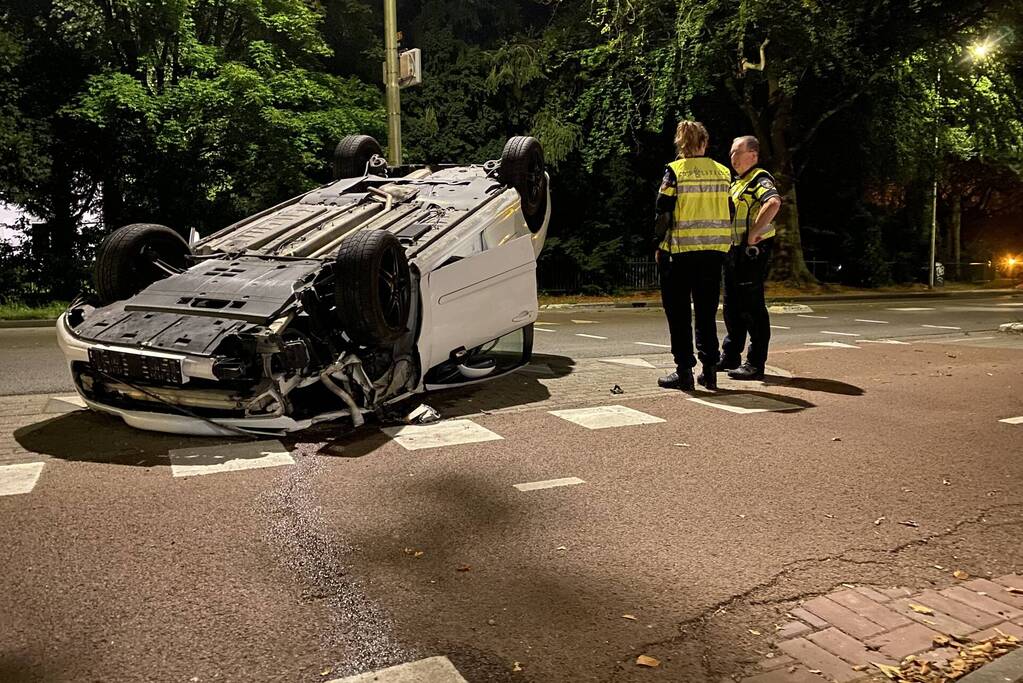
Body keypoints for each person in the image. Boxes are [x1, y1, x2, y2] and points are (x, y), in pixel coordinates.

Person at [654, 121, 733, 391]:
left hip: (679, 253)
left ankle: (684, 371)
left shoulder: (674, 171)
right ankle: (710, 371)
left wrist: (658, 244)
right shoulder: (723, 173)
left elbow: (663, 211)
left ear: (680, 144)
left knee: (678, 314)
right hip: (713, 253)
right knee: (706, 313)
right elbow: (730, 210)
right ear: (704, 143)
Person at [719, 135, 783, 381]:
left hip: (751, 252)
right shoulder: (738, 182)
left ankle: (755, 363)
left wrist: (754, 233)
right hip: (734, 251)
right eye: (731, 152)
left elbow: (774, 202)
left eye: (737, 152)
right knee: (732, 306)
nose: (732, 157)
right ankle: (731, 355)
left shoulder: (759, 178)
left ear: (753, 156)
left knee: (752, 307)